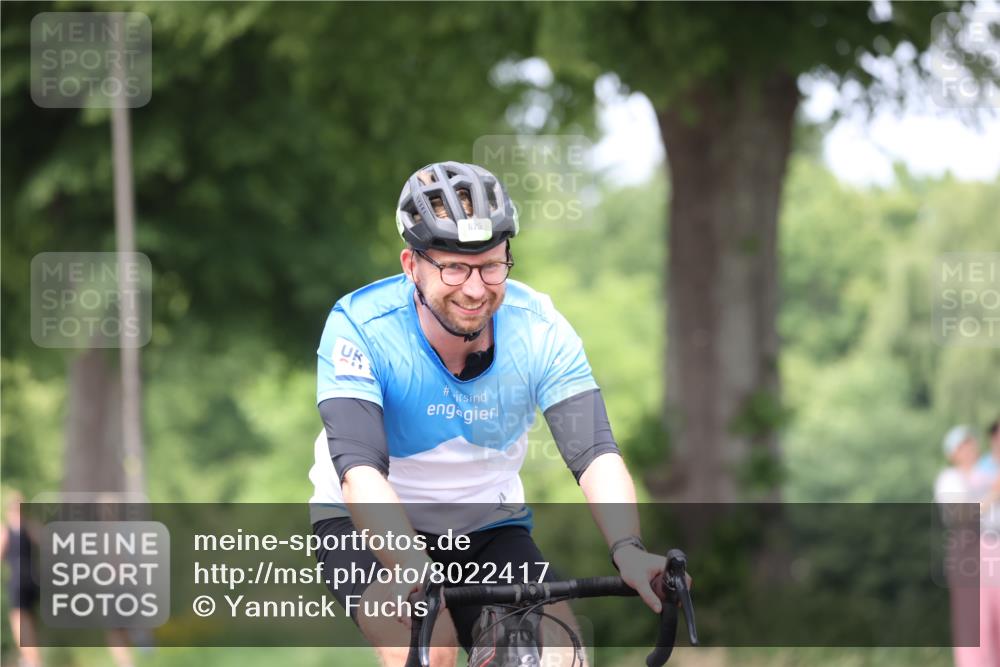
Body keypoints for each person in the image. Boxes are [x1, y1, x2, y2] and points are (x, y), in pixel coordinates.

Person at [309, 162, 676, 667]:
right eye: (453, 267)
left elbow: (594, 454)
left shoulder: (539, 329)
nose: (476, 289)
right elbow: (360, 471)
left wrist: (628, 548)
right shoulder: (360, 326)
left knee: (553, 654)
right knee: (428, 647)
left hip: (486, 527)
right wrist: (411, 562)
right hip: (366, 525)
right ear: (411, 265)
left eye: (490, 266)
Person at [934, 425, 1000, 667]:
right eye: (961, 446)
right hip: (969, 552)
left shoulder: (988, 473)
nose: (968, 449)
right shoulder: (949, 479)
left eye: (970, 442)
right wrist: (994, 494)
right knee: (975, 624)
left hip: (995, 548)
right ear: (952, 453)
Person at [1, 490, 43, 667]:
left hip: (17, 581)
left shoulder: (5, 531)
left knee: (18, 621)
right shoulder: (30, 527)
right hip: (32, 580)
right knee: (29, 622)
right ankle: (34, 659)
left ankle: (29, 659)